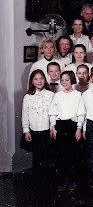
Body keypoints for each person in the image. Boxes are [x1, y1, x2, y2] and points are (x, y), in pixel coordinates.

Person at [48, 70, 85, 192]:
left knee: (73, 155)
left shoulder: (78, 95)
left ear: (72, 80)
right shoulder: (57, 95)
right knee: (61, 156)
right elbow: (53, 112)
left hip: (72, 126)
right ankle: (63, 181)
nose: (64, 82)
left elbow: (80, 113)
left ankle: (71, 180)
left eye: (67, 80)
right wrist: (53, 127)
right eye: (62, 80)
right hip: (60, 126)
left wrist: (79, 128)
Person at [22, 69, 54, 197]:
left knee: (46, 157)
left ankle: (46, 183)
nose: (39, 81)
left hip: (47, 130)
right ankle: (37, 183)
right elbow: (25, 114)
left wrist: (53, 126)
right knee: (37, 158)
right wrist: (26, 130)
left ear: (45, 80)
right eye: (36, 79)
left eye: (41, 78)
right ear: (32, 81)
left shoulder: (50, 95)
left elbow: (53, 113)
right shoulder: (28, 96)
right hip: (34, 131)